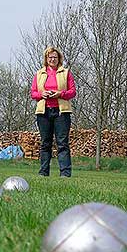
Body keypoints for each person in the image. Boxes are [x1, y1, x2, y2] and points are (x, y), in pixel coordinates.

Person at [31, 46, 76, 177]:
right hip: (44, 112)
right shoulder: (39, 74)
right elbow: (33, 93)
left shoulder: (66, 73)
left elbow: (72, 92)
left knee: (62, 143)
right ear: (46, 59)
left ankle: (65, 173)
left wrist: (59, 94)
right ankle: (43, 172)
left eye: (55, 57)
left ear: (59, 59)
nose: (52, 59)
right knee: (45, 143)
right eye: (50, 57)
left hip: (62, 112)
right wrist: (42, 94)